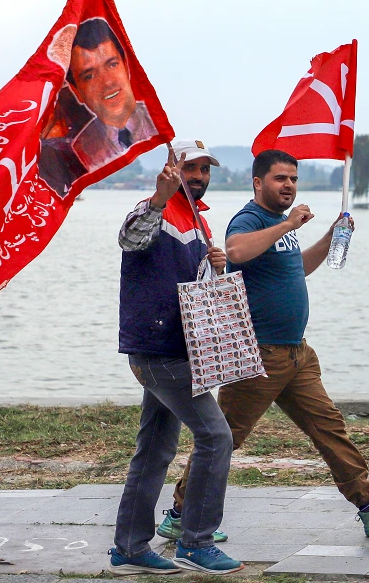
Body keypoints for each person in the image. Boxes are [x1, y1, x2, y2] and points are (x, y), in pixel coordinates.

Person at [165, 149, 369, 538]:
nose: (288, 185)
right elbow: (234, 252)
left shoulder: (278, 225)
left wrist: (330, 236)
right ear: (258, 182)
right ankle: (179, 515)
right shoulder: (252, 218)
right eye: (280, 178)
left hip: (297, 353)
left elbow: (296, 267)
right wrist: (286, 224)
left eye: (293, 179)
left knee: (329, 426)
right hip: (259, 355)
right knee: (223, 439)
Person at [109, 139, 243, 576]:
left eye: (205, 170)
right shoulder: (157, 210)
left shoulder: (198, 223)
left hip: (175, 351)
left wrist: (215, 265)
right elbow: (129, 238)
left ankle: (129, 549)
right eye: (191, 168)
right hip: (160, 351)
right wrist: (159, 197)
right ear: (171, 169)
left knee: (155, 449)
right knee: (216, 437)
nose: (199, 177)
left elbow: (193, 294)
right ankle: (196, 542)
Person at [39, 18, 158, 196]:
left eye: (112, 64)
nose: (107, 82)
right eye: (90, 76)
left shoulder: (155, 124)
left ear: (126, 67)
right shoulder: (78, 151)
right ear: (77, 92)